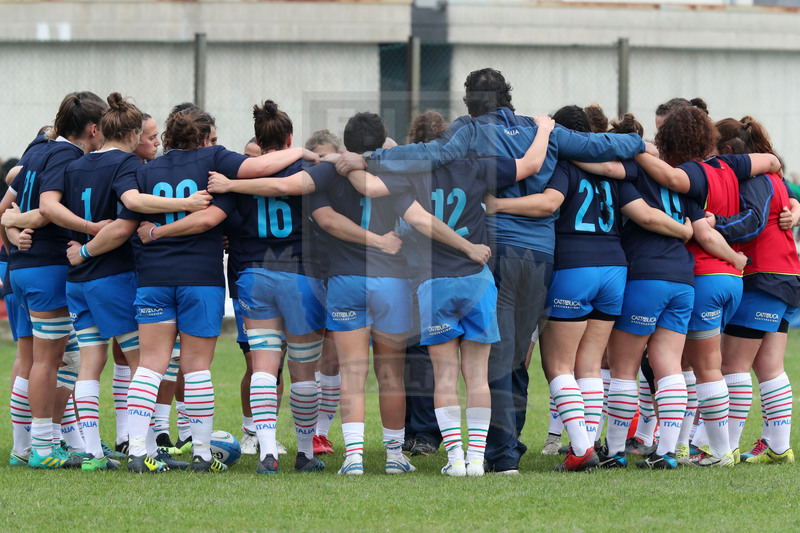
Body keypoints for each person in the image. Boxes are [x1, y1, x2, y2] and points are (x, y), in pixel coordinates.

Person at [335, 68, 647, 474]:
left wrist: (369, 158)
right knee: (518, 356)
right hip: (541, 255)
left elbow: (427, 156)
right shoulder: (542, 129)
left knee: (488, 359)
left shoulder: (468, 132)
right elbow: (595, 145)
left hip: (490, 252)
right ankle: (511, 447)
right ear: (508, 95)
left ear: (468, 102)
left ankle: (499, 455)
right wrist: (639, 144)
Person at [486, 108, 693, 471]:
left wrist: (497, 205)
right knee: (591, 364)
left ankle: (581, 449)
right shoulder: (616, 170)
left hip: (575, 267)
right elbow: (641, 209)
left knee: (558, 364)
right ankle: (594, 445)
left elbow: (550, 202)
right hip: (615, 269)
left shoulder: (563, 165)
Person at [57, 93, 211, 471]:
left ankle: (93, 454)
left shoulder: (76, 164)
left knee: (91, 361)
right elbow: (128, 212)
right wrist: (187, 203)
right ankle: (147, 449)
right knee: (146, 365)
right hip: (111, 275)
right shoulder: (126, 163)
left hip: (77, 281)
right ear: (130, 135)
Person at [634, 106, 781, 466]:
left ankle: (717, 451)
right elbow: (771, 161)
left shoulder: (691, 173)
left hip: (704, 276)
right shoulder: (730, 166)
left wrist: (631, 148)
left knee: (700, 368)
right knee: (696, 364)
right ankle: (690, 446)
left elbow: (673, 184)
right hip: (731, 281)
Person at [0, 92, 106, 469]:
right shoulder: (68, 156)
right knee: (52, 361)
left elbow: (4, 210)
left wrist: (13, 234)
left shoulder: (37, 149)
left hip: (22, 269)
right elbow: (47, 209)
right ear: (93, 129)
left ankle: (25, 446)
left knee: (37, 359)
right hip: (48, 267)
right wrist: (95, 228)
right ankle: (44, 447)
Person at [709, 116, 799, 464]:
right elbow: (788, 201)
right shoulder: (772, 175)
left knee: (733, 364)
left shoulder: (754, 177)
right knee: (769, 365)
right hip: (784, 276)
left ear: (728, 150)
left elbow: (754, 222)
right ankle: (778, 446)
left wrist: (715, 225)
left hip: (765, 277)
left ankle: (726, 447)